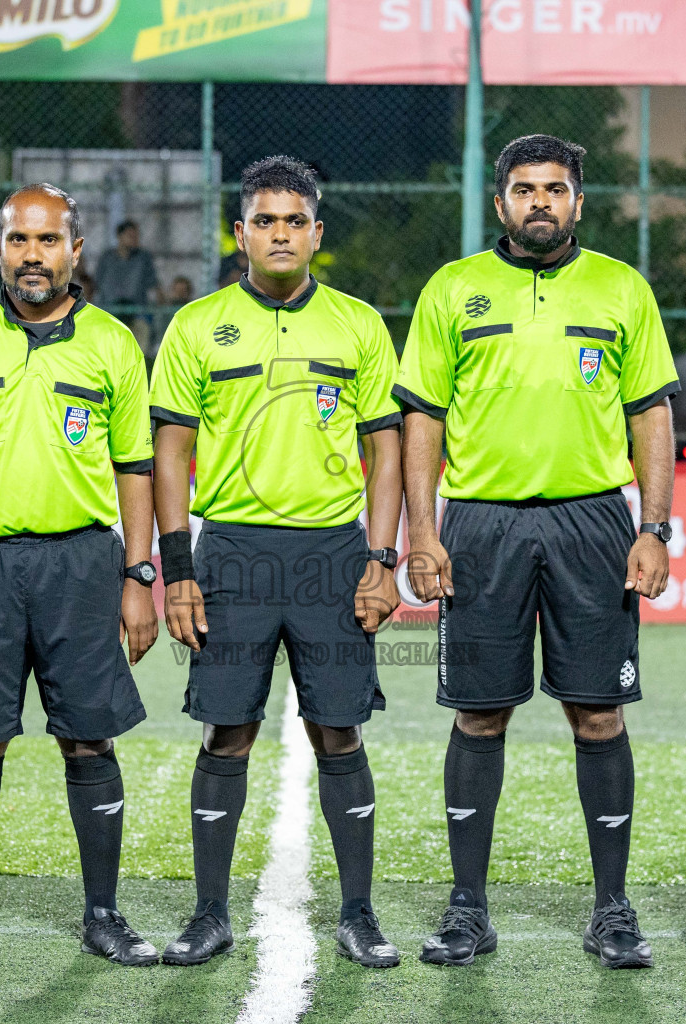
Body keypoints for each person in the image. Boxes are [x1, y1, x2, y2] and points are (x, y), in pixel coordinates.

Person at [396, 134, 679, 970]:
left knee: (599, 712)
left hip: (593, 521)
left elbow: (651, 418)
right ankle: (467, 910)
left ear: (580, 202)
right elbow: (423, 419)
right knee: (480, 712)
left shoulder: (622, 289)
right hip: (479, 522)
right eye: (524, 189)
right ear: (501, 203)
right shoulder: (454, 290)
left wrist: (654, 528)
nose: (540, 202)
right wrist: (421, 531)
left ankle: (613, 911)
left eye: (556, 189)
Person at [149, 156, 405, 968]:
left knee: (339, 730)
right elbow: (171, 451)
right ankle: (209, 913)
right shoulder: (197, 326)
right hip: (231, 552)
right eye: (266, 220)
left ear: (316, 233)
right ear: (241, 234)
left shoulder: (359, 324)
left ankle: (359, 914)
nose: (281, 233)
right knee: (228, 731)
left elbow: (386, 447)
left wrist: (381, 556)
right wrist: (178, 567)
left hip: (332, 553)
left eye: (296, 220)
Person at [0, 183, 161, 970]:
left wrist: (138, 574)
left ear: (76, 249)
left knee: (89, 739)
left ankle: (104, 915)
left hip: (82, 561)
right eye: (19, 241)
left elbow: (135, 467)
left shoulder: (113, 343)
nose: (33, 256)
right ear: (0, 247)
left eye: (49, 241)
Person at [96, 220, 162, 361]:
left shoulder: (143, 258)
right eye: (130, 236)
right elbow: (97, 283)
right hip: (110, 310)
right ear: (120, 236)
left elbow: (154, 284)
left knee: (142, 333)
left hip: (137, 311)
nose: (135, 239)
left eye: (136, 236)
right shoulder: (107, 258)